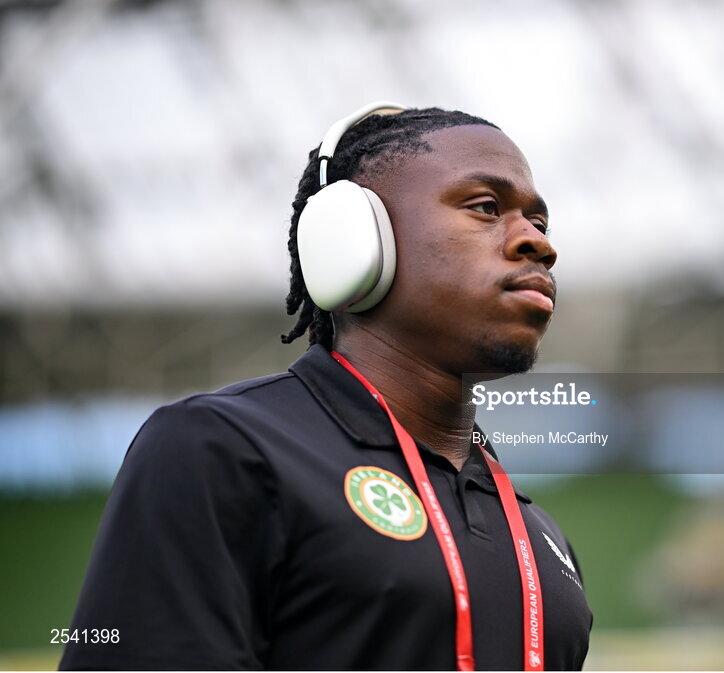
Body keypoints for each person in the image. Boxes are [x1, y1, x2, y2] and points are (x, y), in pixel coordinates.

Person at [59, 103, 592, 670]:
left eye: (540, 223)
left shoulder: (538, 535)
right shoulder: (221, 448)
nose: (539, 243)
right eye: (486, 207)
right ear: (354, 239)